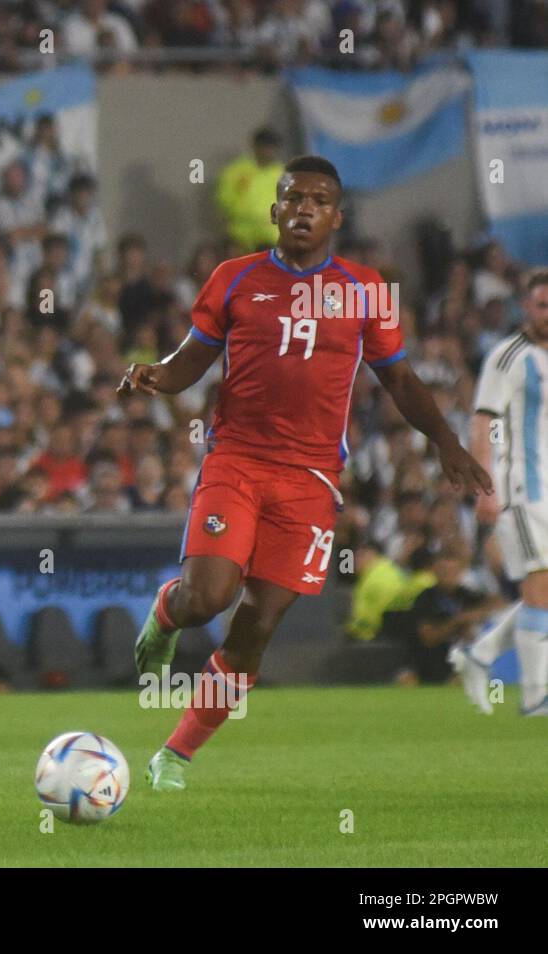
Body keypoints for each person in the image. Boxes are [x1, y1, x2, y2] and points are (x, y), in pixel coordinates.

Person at [121, 154, 492, 791]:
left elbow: (398, 377)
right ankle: (166, 613)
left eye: (318, 201)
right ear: (274, 210)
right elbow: (191, 361)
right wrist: (155, 375)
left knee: (255, 628)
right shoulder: (234, 280)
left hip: (312, 481)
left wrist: (445, 440)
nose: (303, 210)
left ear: (336, 217)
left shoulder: (366, 291)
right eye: (293, 198)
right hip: (237, 461)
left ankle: (175, 755)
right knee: (208, 597)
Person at [461, 268, 548, 716]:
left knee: (544, 589)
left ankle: (480, 654)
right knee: (538, 585)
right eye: (541, 305)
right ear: (525, 307)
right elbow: (482, 422)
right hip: (522, 488)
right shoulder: (507, 356)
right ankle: (536, 697)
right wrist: (486, 487)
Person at [406, 544, 504, 685]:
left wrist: (476, 615)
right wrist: (457, 621)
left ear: (460, 572)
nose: (447, 575)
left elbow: (499, 603)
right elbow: (428, 638)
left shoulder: (466, 595)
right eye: (443, 571)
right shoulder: (425, 599)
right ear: (434, 571)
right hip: (431, 662)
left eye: (452, 571)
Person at [215, 128, 284, 253]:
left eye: (272, 147)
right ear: (256, 146)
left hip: (271, 236)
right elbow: (224, 200)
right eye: (266, 146)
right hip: (241, 234)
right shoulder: (236, 170)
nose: (269, 151)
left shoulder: (282, 173)